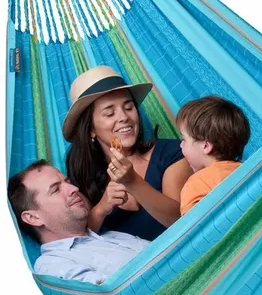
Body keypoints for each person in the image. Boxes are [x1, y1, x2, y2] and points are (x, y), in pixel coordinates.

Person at [64, 65, 193, 241]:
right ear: (90, 130)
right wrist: (101, 208)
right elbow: (79, 242)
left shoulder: (171, 153)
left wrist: (133, 182)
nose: (124, 117)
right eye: (110, 113)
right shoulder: (84, 178)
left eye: (129, 107)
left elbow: (182, 220)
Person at [8, 160, 150, 284]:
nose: (74, 189)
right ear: (33, 218)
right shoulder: (51, 264)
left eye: (68, 182)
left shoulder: (112, 236)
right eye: (56, 189)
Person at [177, 95, 250, 215]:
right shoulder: (249, 171)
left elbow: (194, 225)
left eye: (184, 139)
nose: (181, 145)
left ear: (205, 146)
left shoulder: (197, 183)